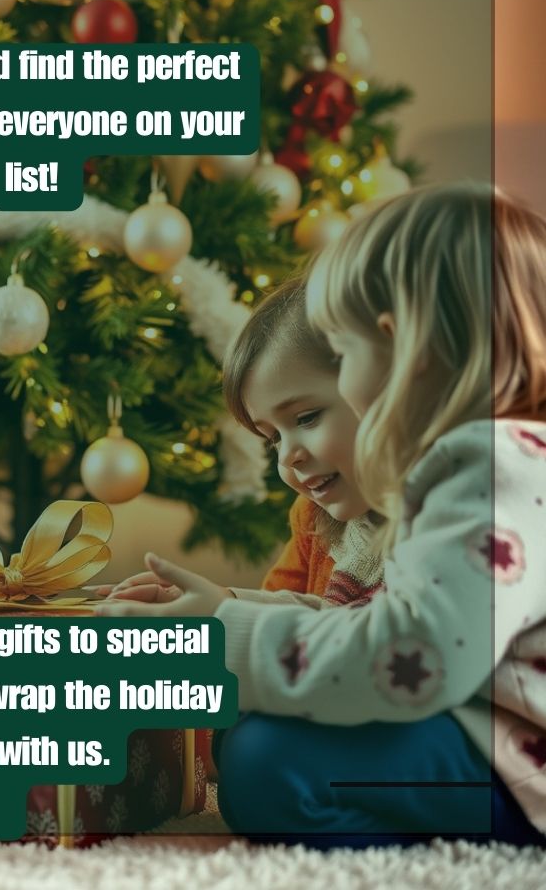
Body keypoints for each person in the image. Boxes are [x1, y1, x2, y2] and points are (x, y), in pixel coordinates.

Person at [98, 183, 546, 849]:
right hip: (488, 735)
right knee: (249, 726)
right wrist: (225, 609)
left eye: (344, 348)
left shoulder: (486, 469)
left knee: (265, 762)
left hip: (521, 770)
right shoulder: (482, 465)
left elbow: (408, 657)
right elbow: (384, 627)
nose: (288, 459)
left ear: (403, 353)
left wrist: (229, 633)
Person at [110, 277, 383, 612]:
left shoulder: (443, 522)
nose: (288, 456)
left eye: (307, 418)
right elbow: (273, 618)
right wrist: (221, 603)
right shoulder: (312, 518)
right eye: (274, 438)